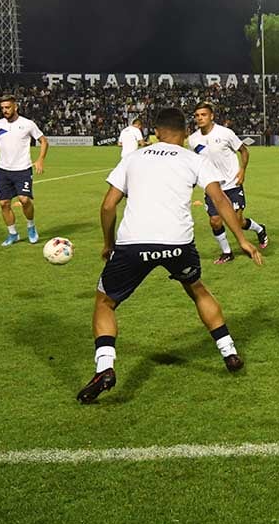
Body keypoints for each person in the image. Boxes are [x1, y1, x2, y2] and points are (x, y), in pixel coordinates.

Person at [76, 107, 263, 404]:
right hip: (178, 244)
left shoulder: (133, 158)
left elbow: (108, 206)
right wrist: (242, 239)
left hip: (133, 244)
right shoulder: (194, 159)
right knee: (198, 290)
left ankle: (105, 368)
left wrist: (108, 243)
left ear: (156, 131)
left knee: (105, 301)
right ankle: (229, 353)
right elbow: (219, 198)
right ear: (184, 131)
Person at [189, 102, 268, 264]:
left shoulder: (225, 133)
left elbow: (244, 150)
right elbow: (193, 162)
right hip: (212, 187)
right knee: (215, 221)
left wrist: (242, 170)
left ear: (212, 116)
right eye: (197, 115)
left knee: (238, 221)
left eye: (203, 115)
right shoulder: (193, 139)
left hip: (232, 184)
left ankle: (259, 229)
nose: (200, 118)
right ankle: (227, 252)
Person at [0, 94, 49, 247]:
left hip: (22, 169)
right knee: (4, 203)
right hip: (3, 170)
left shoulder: (28, 124)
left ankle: (31, 226)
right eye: (2, 108)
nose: (5, 110)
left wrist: (40, 160)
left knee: (24, 200)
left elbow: (43, 141)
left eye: (8, 107)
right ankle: (13, 234)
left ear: (15, 107)